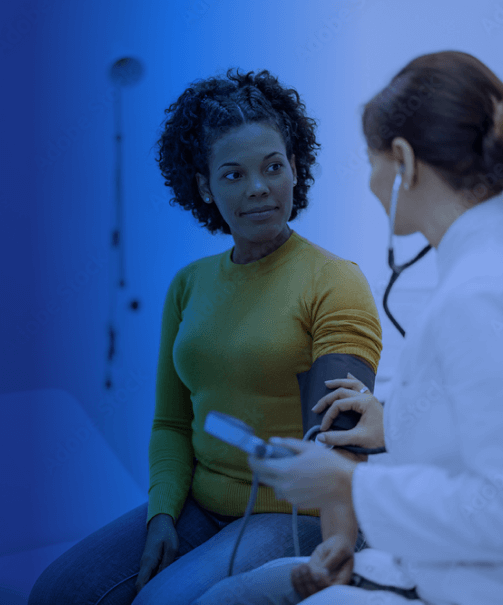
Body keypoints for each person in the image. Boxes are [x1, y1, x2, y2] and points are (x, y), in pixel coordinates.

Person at [192, 51, 503, 605]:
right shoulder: (502, 270)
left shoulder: (484, 296)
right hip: (463, 567)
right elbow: (499, 431)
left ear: (402, 161)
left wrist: (348, 484)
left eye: (372, 160)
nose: (373, 183)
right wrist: (398, 423)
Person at [27, 68, 383, 605]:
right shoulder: (188, 284)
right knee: (58, 590)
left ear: (295, 167)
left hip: (295, 513)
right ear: (205, 186)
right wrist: (162, 515)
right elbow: (171, 422)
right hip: (201, 504)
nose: (259, 187)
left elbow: (340, 444)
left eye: (273, 166)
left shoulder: (334, 281)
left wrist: (339, 547)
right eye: (234, 174)